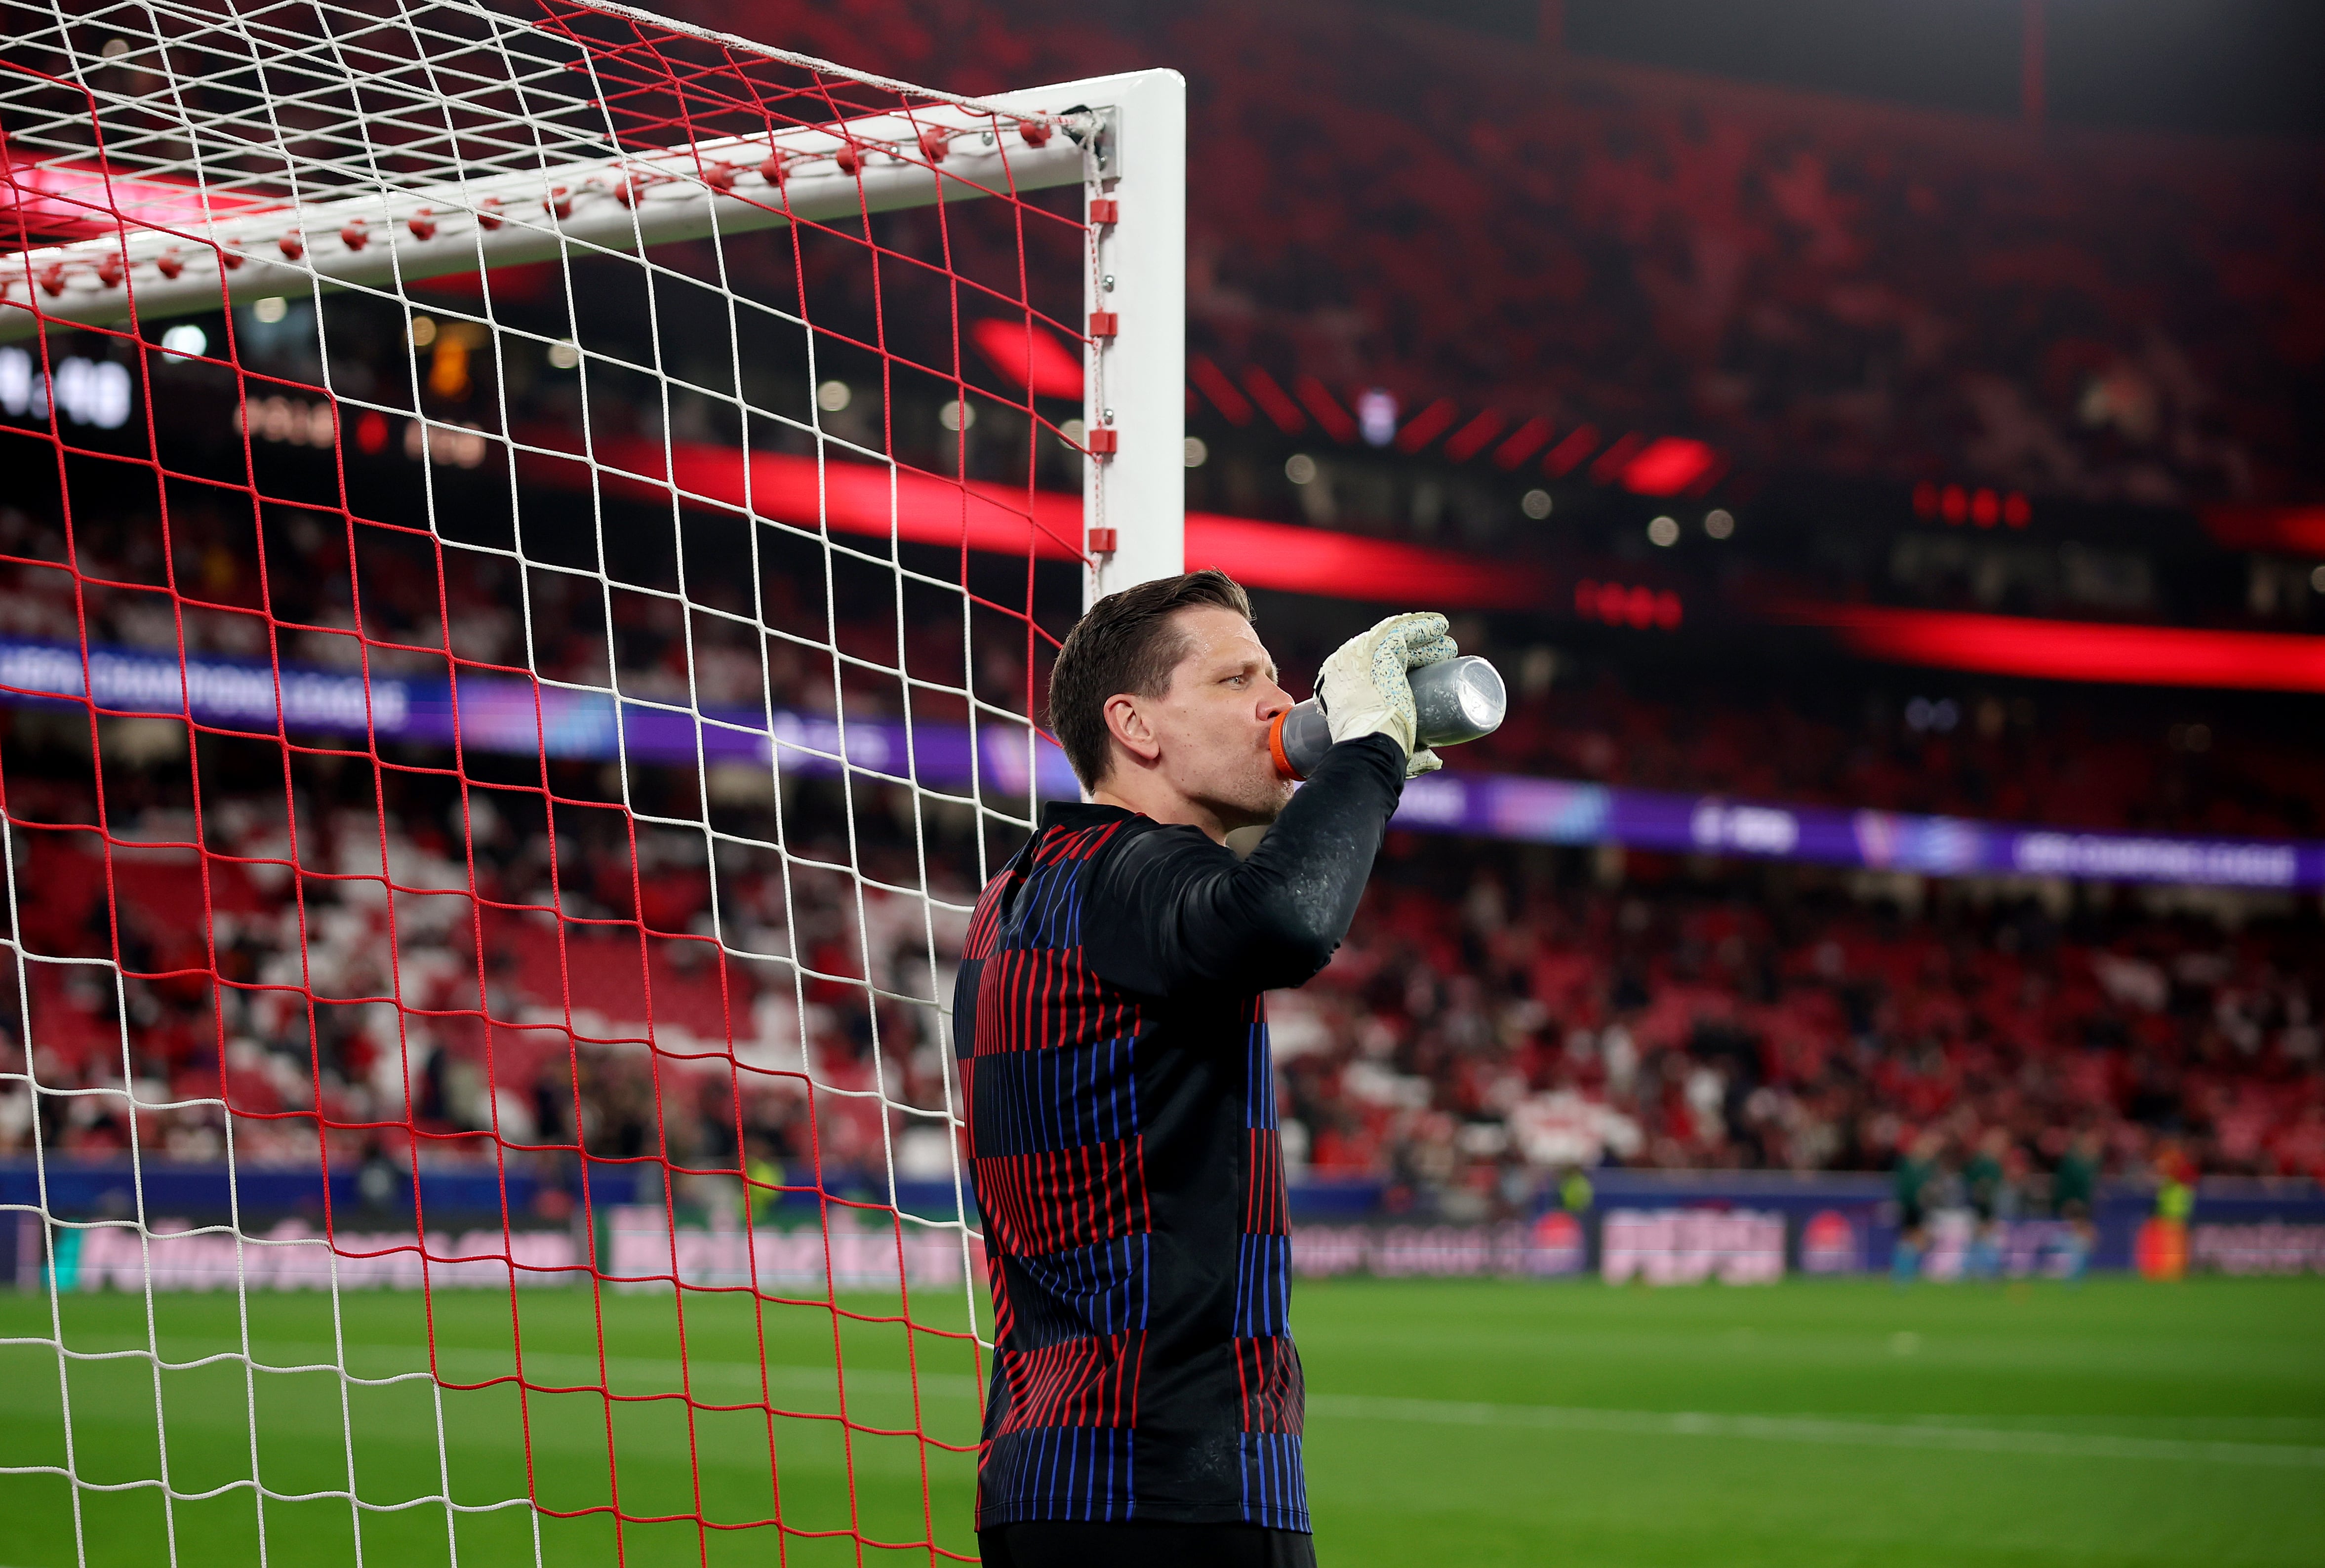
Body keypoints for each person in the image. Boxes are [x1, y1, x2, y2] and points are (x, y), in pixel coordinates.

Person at [953, 570, 1451, 1568]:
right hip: (1164, 1483)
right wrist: (1366, 755)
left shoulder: (1022, 886)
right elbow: (1285, 919)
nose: (1278, 702)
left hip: (1050, 1472)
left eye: (1277, 677)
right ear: (1135, 726)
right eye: (1235, 680)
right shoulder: (1128, 874)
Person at [1890, 1128, 1944, 1286]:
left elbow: (1933, 1189)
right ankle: (1903, 1273)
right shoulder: (1908, 1165)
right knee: (1913, 1240)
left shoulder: (1929, 1167)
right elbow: (1904, 1188)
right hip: (1910, 1207)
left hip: (1922, 1208)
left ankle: (1904, 1272)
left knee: (1916, 1241)